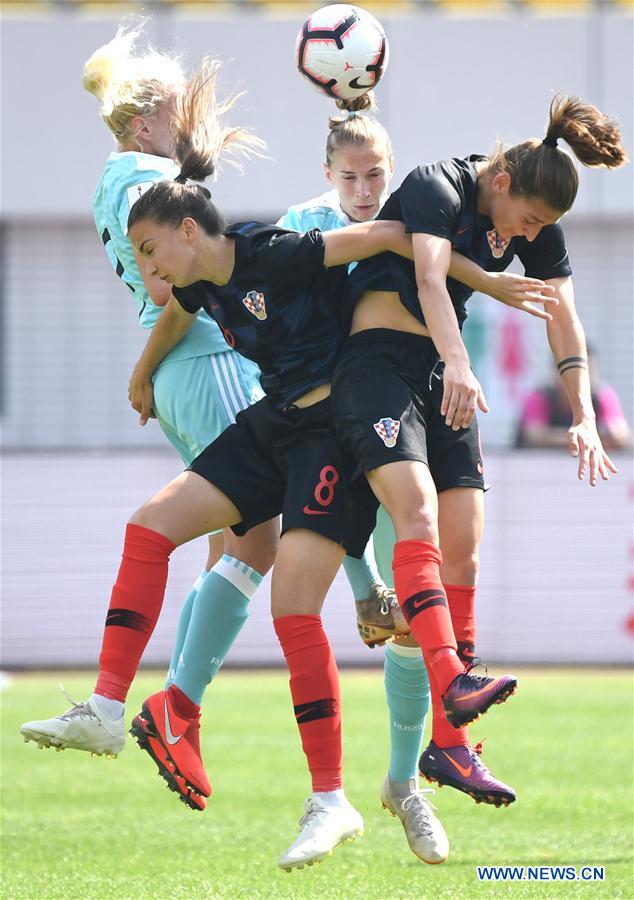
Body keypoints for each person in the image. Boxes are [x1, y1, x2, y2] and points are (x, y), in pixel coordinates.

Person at [328, 94, 627, 813]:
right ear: (500, 183)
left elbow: (564, 315)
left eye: (542, 229)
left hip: (439, 368)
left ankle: (450, 744)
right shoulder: (438, 185)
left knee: (464, 547)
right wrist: (460, 363)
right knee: (420, 517)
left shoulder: (531, 216)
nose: (531, 235)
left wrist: (582, 412)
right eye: (528, 221)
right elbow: (432, 278)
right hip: (376, 362)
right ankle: (454, 684)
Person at [19, 24, 279, 811]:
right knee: (263, 531)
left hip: (175, 377)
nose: (184, 125)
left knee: (235, 540)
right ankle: (166, 706)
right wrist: (143, 366)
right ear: (143, 122)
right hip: (202, 364)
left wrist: (145, 370)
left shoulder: (112, 178)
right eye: (171, 112)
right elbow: (177, 290)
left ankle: (162, 710)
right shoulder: (150, 184)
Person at [276, 100, 528, 861]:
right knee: (296, 594)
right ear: (326, 175)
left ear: (391, 167)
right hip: (331, 417)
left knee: (427, 607)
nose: (363, 183)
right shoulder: (306, 222)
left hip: (404, 402)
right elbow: (255, 289)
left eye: (375, 171)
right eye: (350, 174)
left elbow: (426, 254)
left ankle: (406, 782)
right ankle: (327, 797)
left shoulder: (419, 210)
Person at [515, 344, 631, 450]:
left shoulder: (602, 396)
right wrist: (586, 438)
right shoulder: (539, 397)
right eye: (573, 373)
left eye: (587, 373)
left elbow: (620, 434)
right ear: (556, 371)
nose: (580, 380)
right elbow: (535, 436)